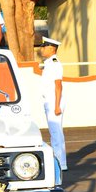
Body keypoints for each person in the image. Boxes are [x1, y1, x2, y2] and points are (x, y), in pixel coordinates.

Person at [37, 37, 67, 172]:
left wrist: (57, 105)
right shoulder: (49, 63)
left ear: (52, 49)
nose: (42, 49)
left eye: (45, 47)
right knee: (53, 132)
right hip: (49, 100)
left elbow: (58, 85)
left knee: (56, 133)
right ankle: (58, 161)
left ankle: (61, 163)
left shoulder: (55, 63)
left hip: (54, 101)